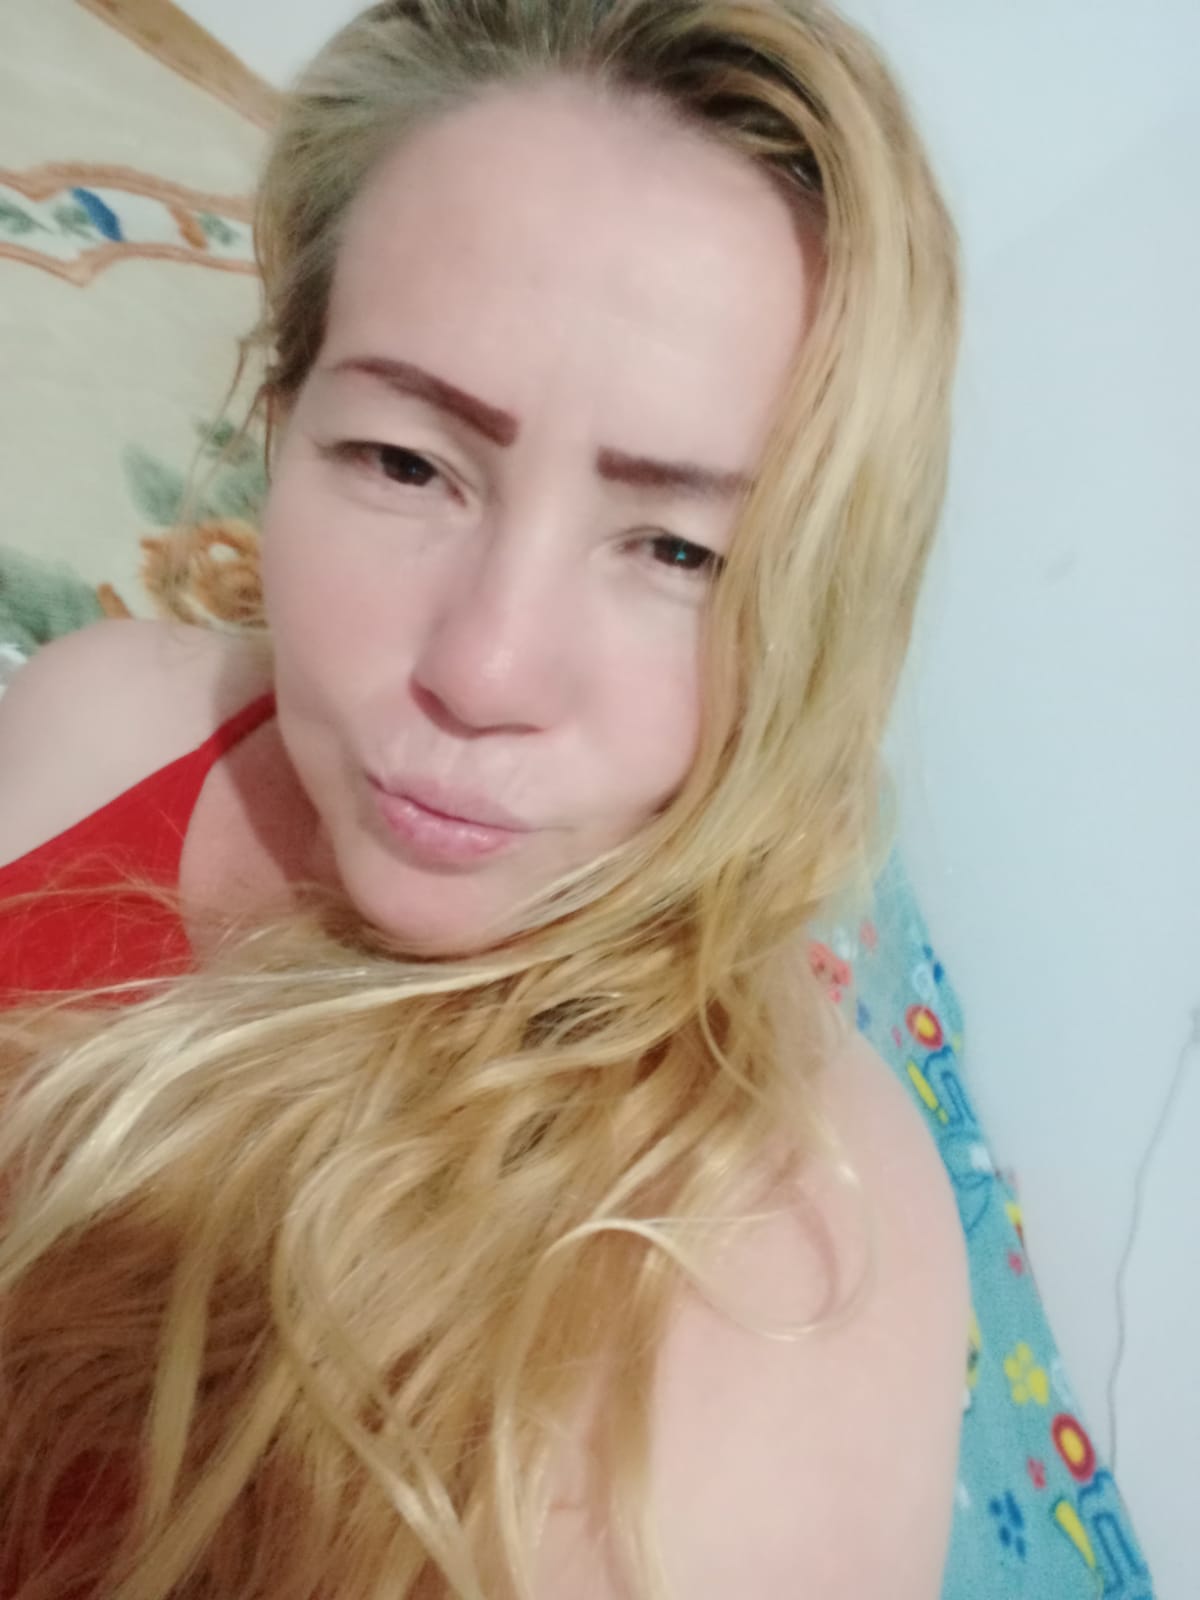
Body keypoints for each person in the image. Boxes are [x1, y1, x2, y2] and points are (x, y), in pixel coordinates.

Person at [0, 2, 969, 1596]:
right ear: (283, 414)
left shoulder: (800, 1250)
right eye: (405, 463)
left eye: (681, 551)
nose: (484, 668)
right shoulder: (96, 719)